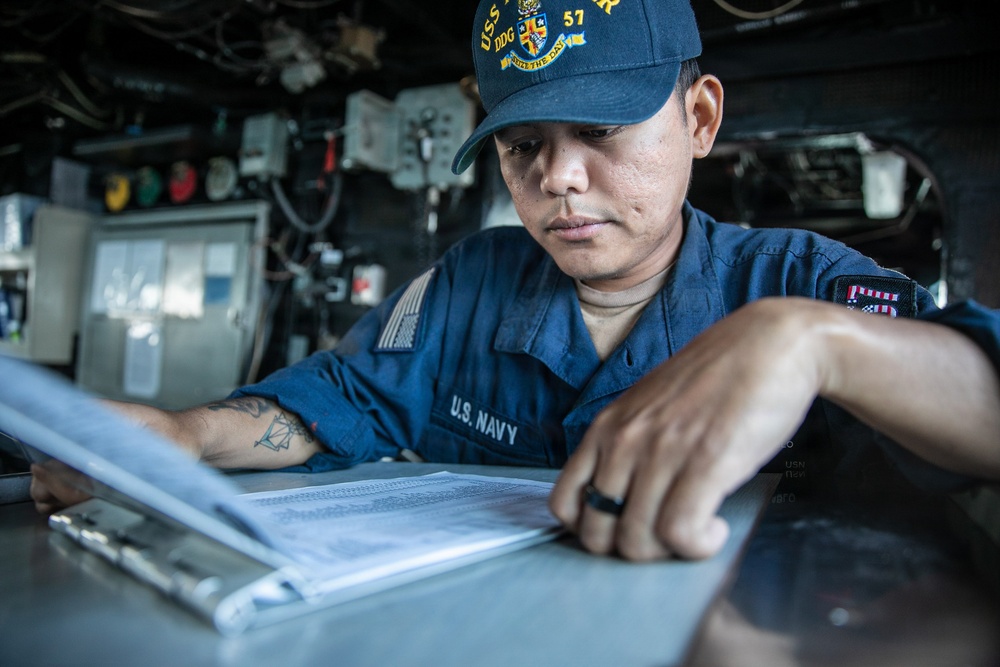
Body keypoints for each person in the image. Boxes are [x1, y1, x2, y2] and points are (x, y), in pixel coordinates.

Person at [31, 0, 1000, 561]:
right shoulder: (469, 285)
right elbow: (341, 399)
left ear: (699, 120)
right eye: (525, 146)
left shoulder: (792, 280)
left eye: (602, 134)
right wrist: (179, 435)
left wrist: (812, 342)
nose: (558, 179)